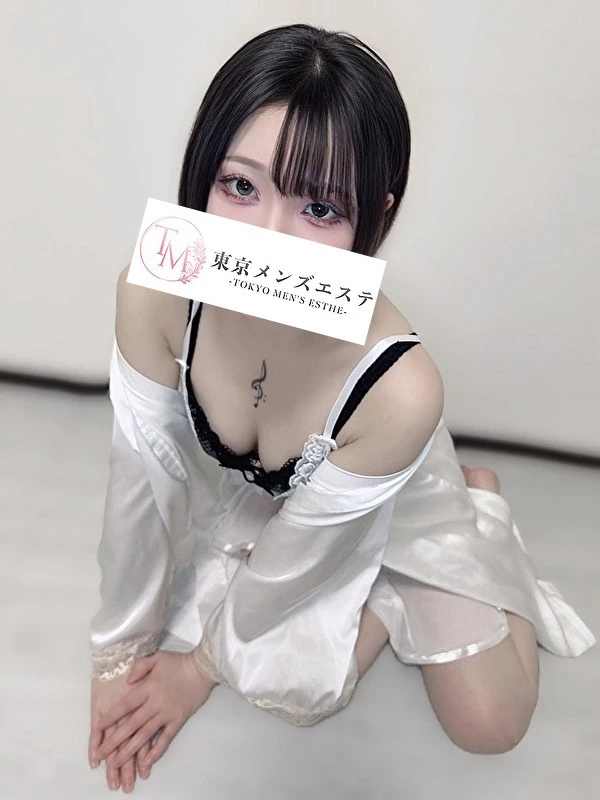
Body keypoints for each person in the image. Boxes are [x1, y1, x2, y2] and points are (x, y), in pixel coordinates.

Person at [87, 23, 595, 794]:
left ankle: (479, 502)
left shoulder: (402, 389)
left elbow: (290, 570)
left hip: (400, 486)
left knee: (488, 726)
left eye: (319, 208)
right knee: (244, 617)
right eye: (240, 187)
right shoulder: (153, 291)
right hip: (298, 496)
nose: (267, 239)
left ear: (374, 216)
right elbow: (142, 482)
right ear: (201, 172)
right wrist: (118, 655)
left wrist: (196, 670)